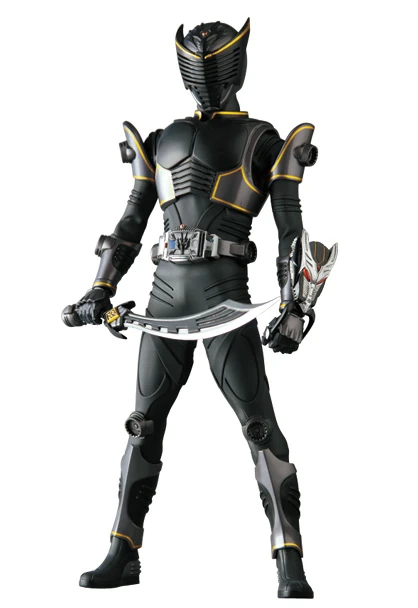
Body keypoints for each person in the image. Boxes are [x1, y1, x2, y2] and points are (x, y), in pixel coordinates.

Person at [62, 18, 336, 599]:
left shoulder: (261, 138)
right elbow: (131, 221)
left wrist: (295, 305)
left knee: (258, 427)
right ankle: (122, 553)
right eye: (196, 64)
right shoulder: (162, 138)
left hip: (225, 301)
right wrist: (99, 288)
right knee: (142, 426)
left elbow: (290, 227)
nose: (206, 75)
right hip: (163, 301)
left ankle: (289, 560)